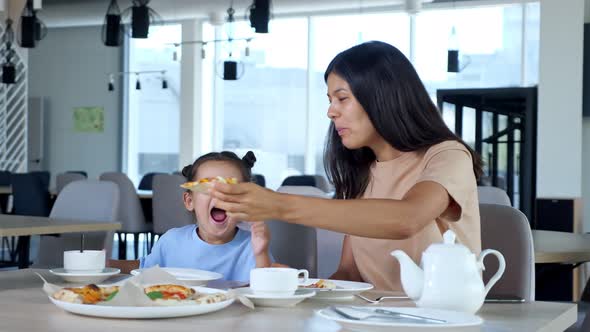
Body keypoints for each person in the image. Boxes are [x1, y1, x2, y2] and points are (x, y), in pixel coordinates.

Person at [209, 41, 483, 290]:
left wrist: (278, 205)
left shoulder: (448, 156)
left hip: (439, 320)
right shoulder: (362, 171)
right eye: (330, 100)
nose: (331, 111)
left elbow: (407, 218)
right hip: (370, 318)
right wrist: (301, 288)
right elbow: (350, 273)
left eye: (342, 98)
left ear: (381, 96)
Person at [109, 151, 274, 282]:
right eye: (207, 188)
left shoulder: (252, 246)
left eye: (231, 189)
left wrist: (261, 254)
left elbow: (265, 289)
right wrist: (107, 264)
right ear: (189, 201)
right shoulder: (171, 241)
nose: (220, 195)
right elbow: (143, 268)